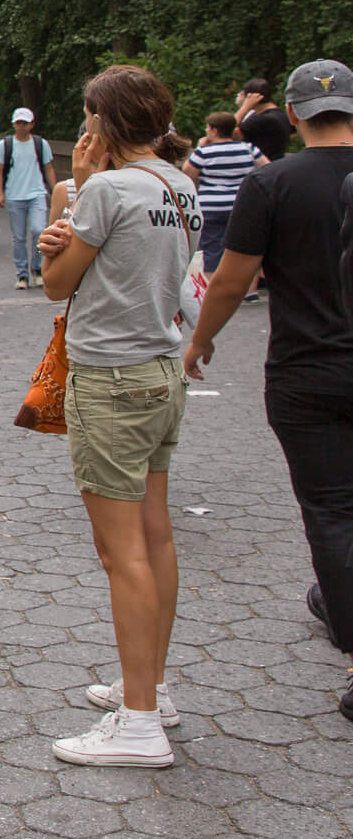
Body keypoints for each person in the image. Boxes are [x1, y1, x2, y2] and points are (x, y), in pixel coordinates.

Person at [37, 65, 200, 768]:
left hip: (110, 375)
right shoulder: (178, 182)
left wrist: (64, 207)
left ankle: (138, 726)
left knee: (120, 552)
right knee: (156, 536)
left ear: (101, 123)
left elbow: (55, 283)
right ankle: (151, 687)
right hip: (162, 370)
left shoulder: (104, 188)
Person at [185, 61, 353, 723]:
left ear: (289, 112)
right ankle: (331, 597)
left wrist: (200, 340)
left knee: (333, 511)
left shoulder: (272, 182)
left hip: (306, 369)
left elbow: (231, 278)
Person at [184, 113, 264, 275]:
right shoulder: (249, 149)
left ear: (214, 130)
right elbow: (266, 168)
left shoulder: (203, 152)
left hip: (211, 206)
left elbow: (187, 174)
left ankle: (210, 287)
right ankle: (250, 291)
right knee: (244, 248)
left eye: (208, 127)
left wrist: (201, 146)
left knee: (211, 249)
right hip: (242, 204)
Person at [0, 108, 56, 290]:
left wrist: (55, 190)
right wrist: (0, 192)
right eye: (18, 123)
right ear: (14, 124)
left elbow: (49, 167)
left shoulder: (40, 144)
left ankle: (37, 268)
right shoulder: (5, 145)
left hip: (36, 194)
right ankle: (22, 274)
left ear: (32, 124)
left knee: (39, 231)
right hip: (15, 195)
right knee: (19, 237)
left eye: (25, 123)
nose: (21, 126)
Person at [237, 77, 294, 162]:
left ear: (250, 97)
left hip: (262, 167)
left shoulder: (263, 119)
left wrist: (245, 107)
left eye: (242, 94)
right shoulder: (280, 114)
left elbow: (224, 131)